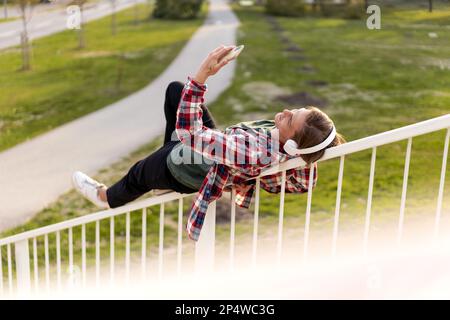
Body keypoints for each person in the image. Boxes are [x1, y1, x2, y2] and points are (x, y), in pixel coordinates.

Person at [72, 45, 346, 241]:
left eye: (290, 121)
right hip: (210, 150)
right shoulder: (279, 141)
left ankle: (105, 197)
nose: (286, 112)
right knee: (175, 91)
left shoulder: (255, 155)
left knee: (137, 174)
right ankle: (162, 165)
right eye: (294, 111)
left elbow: (191, 136)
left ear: (291, 146)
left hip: (181, 167)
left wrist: (202, 75)